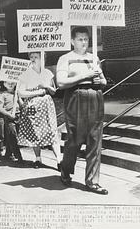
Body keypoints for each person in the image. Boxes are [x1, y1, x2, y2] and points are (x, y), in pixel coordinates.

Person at [56, 26, 108, 195]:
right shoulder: (65, 58)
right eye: (80, 39)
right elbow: (61, 82)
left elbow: (104, 83)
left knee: (95, 138)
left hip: (95, 96)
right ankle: (66, 168)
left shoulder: (94, 58)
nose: (84, 42)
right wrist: (84, 76)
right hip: (75, 97)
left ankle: (92, 181)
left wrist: (99, 75)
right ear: (72, 41)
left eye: (86, 39)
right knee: (75, 139)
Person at [18, 51, 62, 170]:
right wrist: (38, 91)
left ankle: (59, 160)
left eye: (36, 57)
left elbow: (53, 91)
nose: (33, 59)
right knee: (35, 132)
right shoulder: (25, 74)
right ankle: (38, 159)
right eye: (31, 57)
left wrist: (46, 86)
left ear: (42, 58)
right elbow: (21, 92)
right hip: (32, 105)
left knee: (51, 131)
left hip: (46, 106)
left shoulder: (48, 73)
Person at [1, 81, 23, 163]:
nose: (10, 84)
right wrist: (8, 114)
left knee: (11, 136)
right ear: (4, 84)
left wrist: (18, 97)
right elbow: (0, 108)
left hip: (18, 117)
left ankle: (8, 154)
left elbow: (22, 105)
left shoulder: (16, 94)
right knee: (13, 136)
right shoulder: (3, 95)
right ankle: (18, 156)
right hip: (9, 118)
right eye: (7, 82)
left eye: (12, 83)